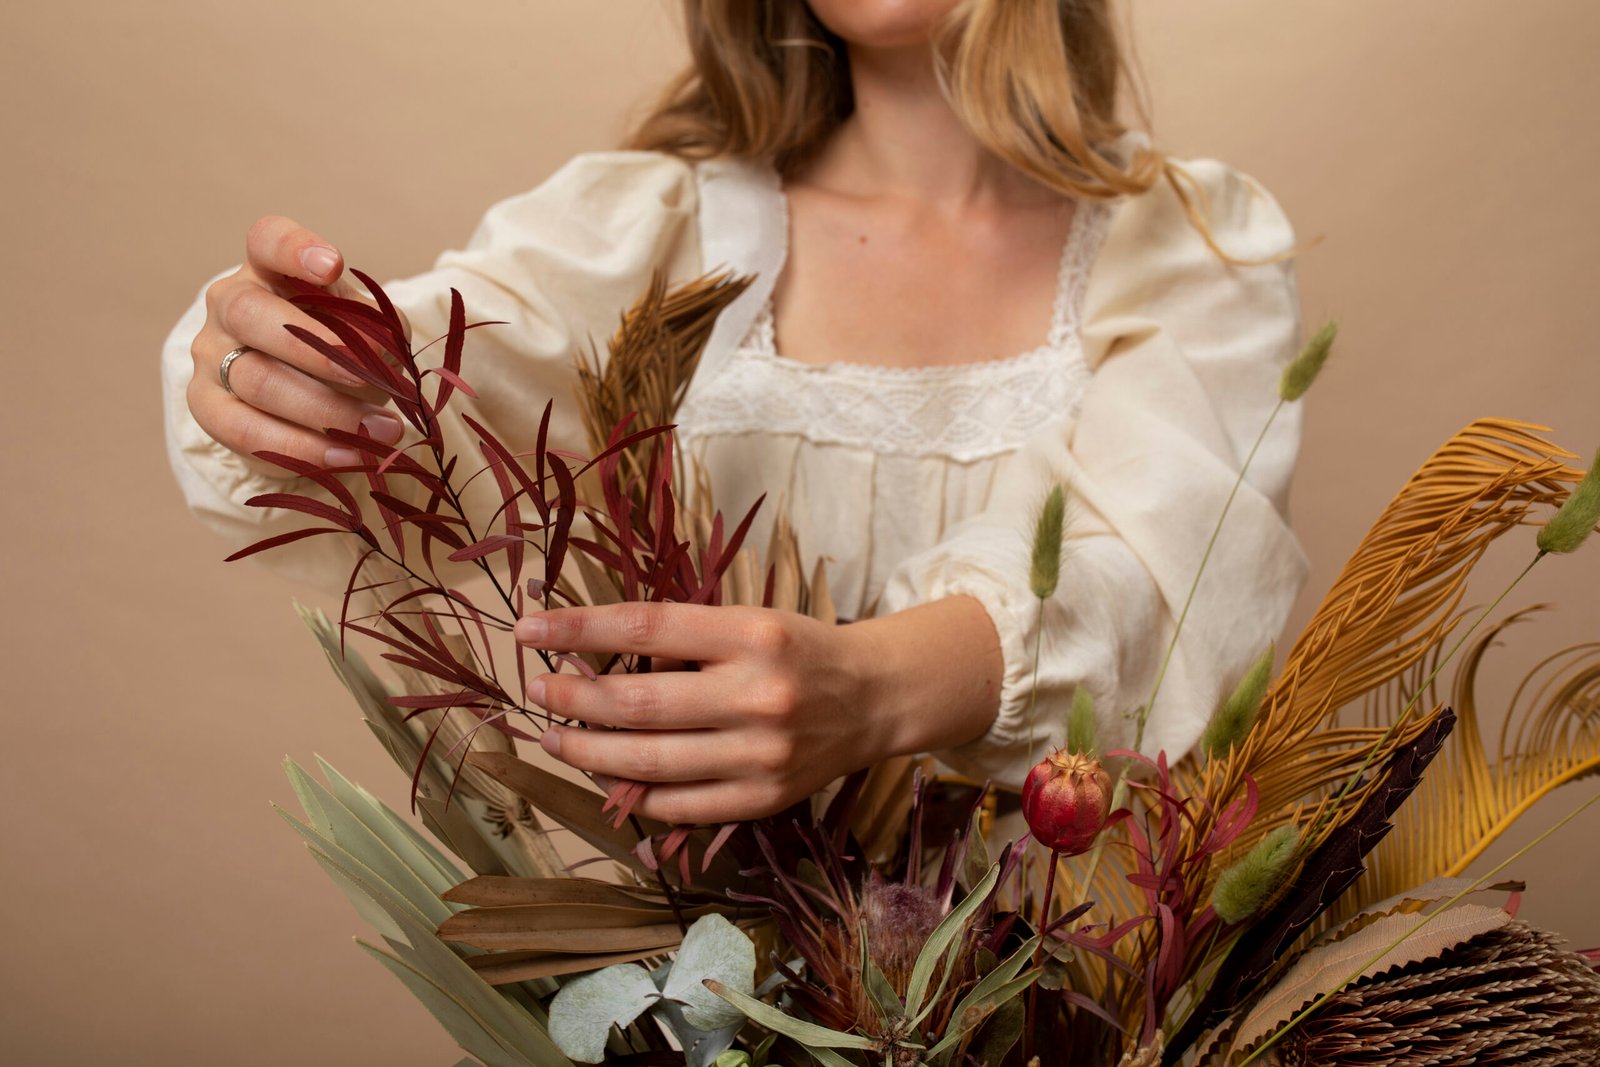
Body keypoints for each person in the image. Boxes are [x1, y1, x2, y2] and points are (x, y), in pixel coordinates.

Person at [161, 0, 1307, 826]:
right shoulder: (657, 231)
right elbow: (455, 389)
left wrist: (869, 688)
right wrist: (314, 364)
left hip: (1087, 980)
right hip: (723, 987)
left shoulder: (1188, 243)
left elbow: (1169, 582)